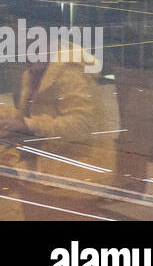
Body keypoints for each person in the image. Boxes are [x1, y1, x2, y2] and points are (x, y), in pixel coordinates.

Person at [0, 39, 114, 219]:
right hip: (48, 162)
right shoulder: (35, 71)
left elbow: (82, 125)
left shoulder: (70, 71)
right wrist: (9, 119)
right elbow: (31, 117)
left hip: (78, 169)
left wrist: (28, 125)